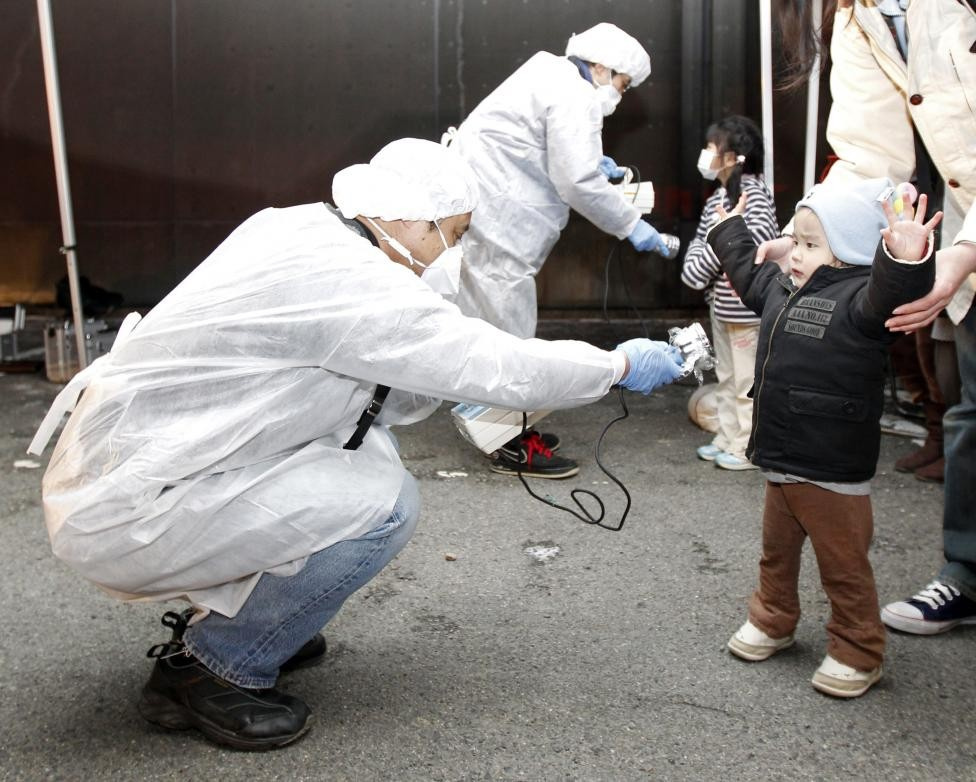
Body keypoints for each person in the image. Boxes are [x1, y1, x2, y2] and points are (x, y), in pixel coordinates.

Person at [27, 138, 684, 750]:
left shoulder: (300, 227)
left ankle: (261, 621)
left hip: (123, 466)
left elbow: (379, 395)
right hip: (131, 508)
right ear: (411, 221)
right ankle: (211, 666)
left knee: (368, 456)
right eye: (453, 235)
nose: (451, 255)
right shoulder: (361, 287)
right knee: (385, 503)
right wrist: (616, 367)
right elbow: (496, 366)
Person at [768, 0, 976, 635]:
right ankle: (968, 573)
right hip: (964, 227)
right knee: (973, 408)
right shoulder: (861, 15)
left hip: (968, 236)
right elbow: (870, 160)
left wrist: (962, 254)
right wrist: (809, 229)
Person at [711, 178, 941, 697]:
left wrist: (903, 257)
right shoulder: (782, 286)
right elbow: (748, 273)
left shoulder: (863, 301)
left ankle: (858, 650)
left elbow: (895, 290)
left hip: (832, 468)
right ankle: (772, 619)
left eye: (812, 244)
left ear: (852, 249)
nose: (795, 253)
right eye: (796, 239)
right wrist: (729, 228)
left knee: (843, 566)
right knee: (776, 553)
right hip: (780, 458)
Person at [444, 22, 678, 479]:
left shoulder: (547, 72)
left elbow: (544, 150)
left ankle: (506, 426)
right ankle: (508, 442)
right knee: (509, 339)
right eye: (623, 85)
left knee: (488, 333)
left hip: (484, 216)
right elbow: (576, 180)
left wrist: (593, 162)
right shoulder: (575, 95)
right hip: (501, 228)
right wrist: (632, 226)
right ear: (601, 67)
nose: (620, 96)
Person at [680, 115, 779, 471]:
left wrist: (701, 264)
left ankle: (746, 446)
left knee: (746, 381)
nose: (705, 154)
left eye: (712, 148)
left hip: (744, 308)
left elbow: (751, 247)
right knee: (728, 376)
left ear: (735, 156)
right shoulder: (722, 196)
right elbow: (709, 248)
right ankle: (727, 434)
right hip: (723, 305)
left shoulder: (751, 195)